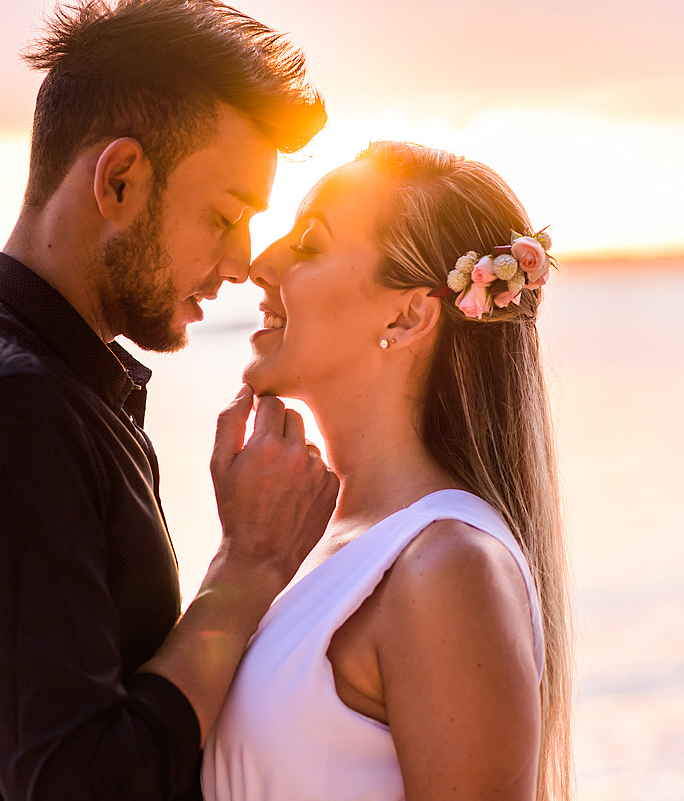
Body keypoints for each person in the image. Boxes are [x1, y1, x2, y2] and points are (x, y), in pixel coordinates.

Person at [0, 2, 337, 799]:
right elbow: (82, 783)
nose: (242, 260)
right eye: (224, 214)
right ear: (119, 179)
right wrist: (249, 566)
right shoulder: (0, 406)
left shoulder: (44, 385)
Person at [202, 141, 574, 801]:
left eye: (309, 245)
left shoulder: (447, 567)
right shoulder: (308, 541)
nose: (261, 264)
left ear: (407, 316)